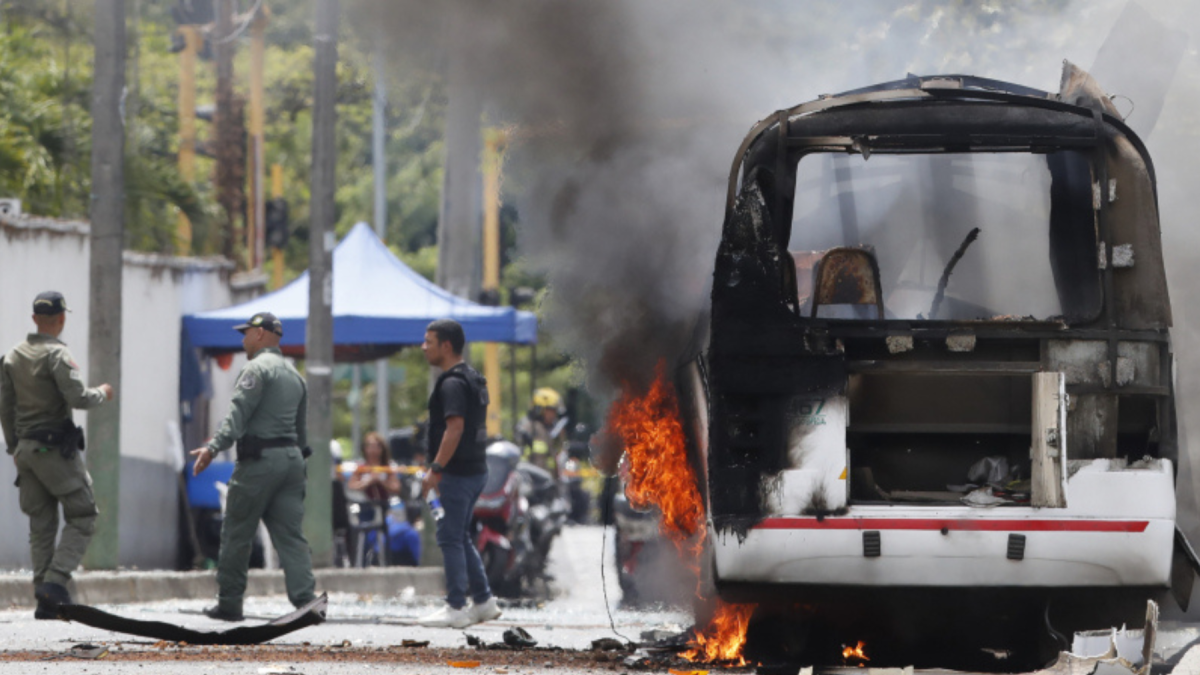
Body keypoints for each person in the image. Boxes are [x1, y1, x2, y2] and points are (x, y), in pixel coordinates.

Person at [189, 311, 319, 622]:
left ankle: (230, 604)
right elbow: (301, 433)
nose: (243, 339)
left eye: (246, 333)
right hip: (290, 462)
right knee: (290, 536)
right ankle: (307, 601)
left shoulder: (256, 369)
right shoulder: (294, 376)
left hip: (259, 463)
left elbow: (237, 416)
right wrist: (297, 461)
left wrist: (212, 447)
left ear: (260, 334)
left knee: (237, 532)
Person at [0, 291, 114, 620]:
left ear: (34, 318)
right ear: (62, 319)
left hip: (26, 452)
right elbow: (78, 398)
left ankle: (44, 600)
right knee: (84, 514)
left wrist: (13, 449)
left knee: (41, 524)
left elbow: (5, 408)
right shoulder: (57, 355)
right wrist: (103, 394)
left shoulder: (11, 357)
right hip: (54, 450)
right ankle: (55, 582)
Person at [417, 319, 502, 628]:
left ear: (446, 346)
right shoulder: (473, 378)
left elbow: (455, 429)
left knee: (450, 537)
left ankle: (455, 607)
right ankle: (483, 601)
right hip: (476, 470)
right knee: (461, 536)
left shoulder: (452, 383)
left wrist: (435, 469)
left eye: (429, 341)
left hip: (456, 474)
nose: (423, 347)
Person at [516, 388, 567, 473]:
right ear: (539, 409)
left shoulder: (551, 429)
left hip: (549, 479)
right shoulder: (527, 428)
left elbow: (558, 455)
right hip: (531, 479)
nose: (554, 415)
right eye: (551, 410)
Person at [346, 431, 402, 503]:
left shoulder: (387, 467)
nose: (373, 450)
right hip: (364, 504)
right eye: (370, 446)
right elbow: (352, 486)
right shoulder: (361, 467)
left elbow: (396, 488)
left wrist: (381, 481)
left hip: (385, 503)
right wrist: (368, 481)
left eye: (377, 447)